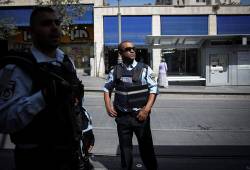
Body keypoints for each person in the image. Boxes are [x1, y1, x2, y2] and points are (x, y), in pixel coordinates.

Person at [0, 7, 94, 170]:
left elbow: (75, 105)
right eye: (46, 23)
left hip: (70, 155)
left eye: (57, 23)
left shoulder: (66, 62)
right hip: (36, 159)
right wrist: (43, 97)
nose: (54, 28)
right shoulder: (17, 68)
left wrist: (86, 130)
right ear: (31, 31)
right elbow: (5, 120)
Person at [103, 40, 158, 170]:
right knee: (125, 149)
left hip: (140, 116)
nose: (132, 50)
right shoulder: (115, 70)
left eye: (133, 48)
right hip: (122, 117)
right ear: (121, 52)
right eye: (128, 49)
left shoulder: (145, 68)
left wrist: (146, 110)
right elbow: (107, 89)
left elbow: (154, 90)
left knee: (146, 149)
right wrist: (108, 106)